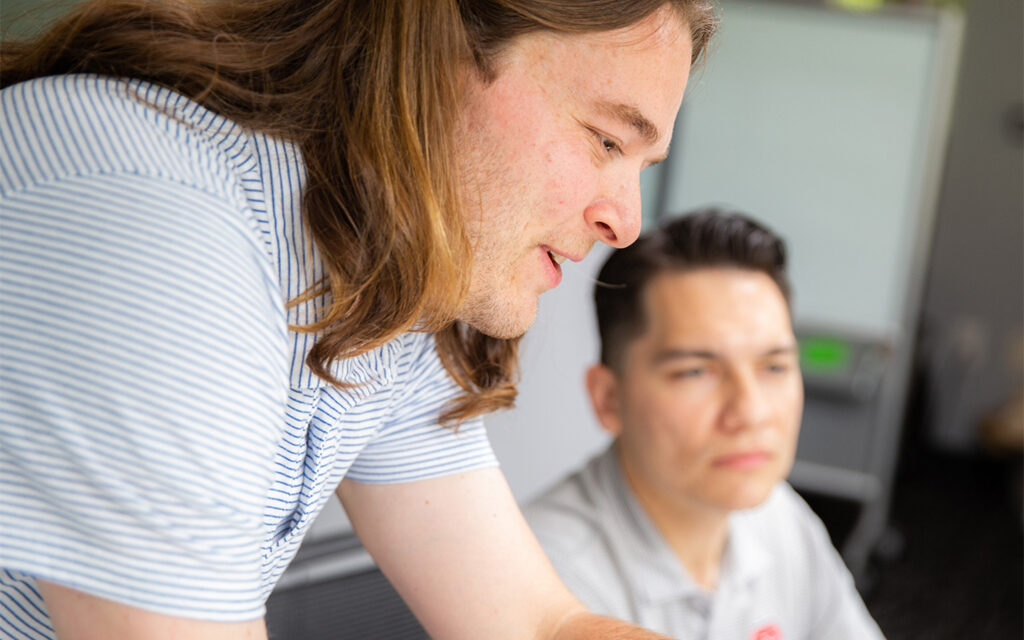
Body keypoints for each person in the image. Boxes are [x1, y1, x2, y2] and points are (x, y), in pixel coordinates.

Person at [0, 1, 718, 638]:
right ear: (436, 55)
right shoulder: (144, 213)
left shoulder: (375, 266)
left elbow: (537, 623)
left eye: (642, 166)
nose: (625, 223)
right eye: (607, 141)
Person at [524, 210, 886, 639]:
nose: (750, 412)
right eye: (696, 372)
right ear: (609, 399)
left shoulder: (779, 517)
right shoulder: (542, 580)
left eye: (774, 367)